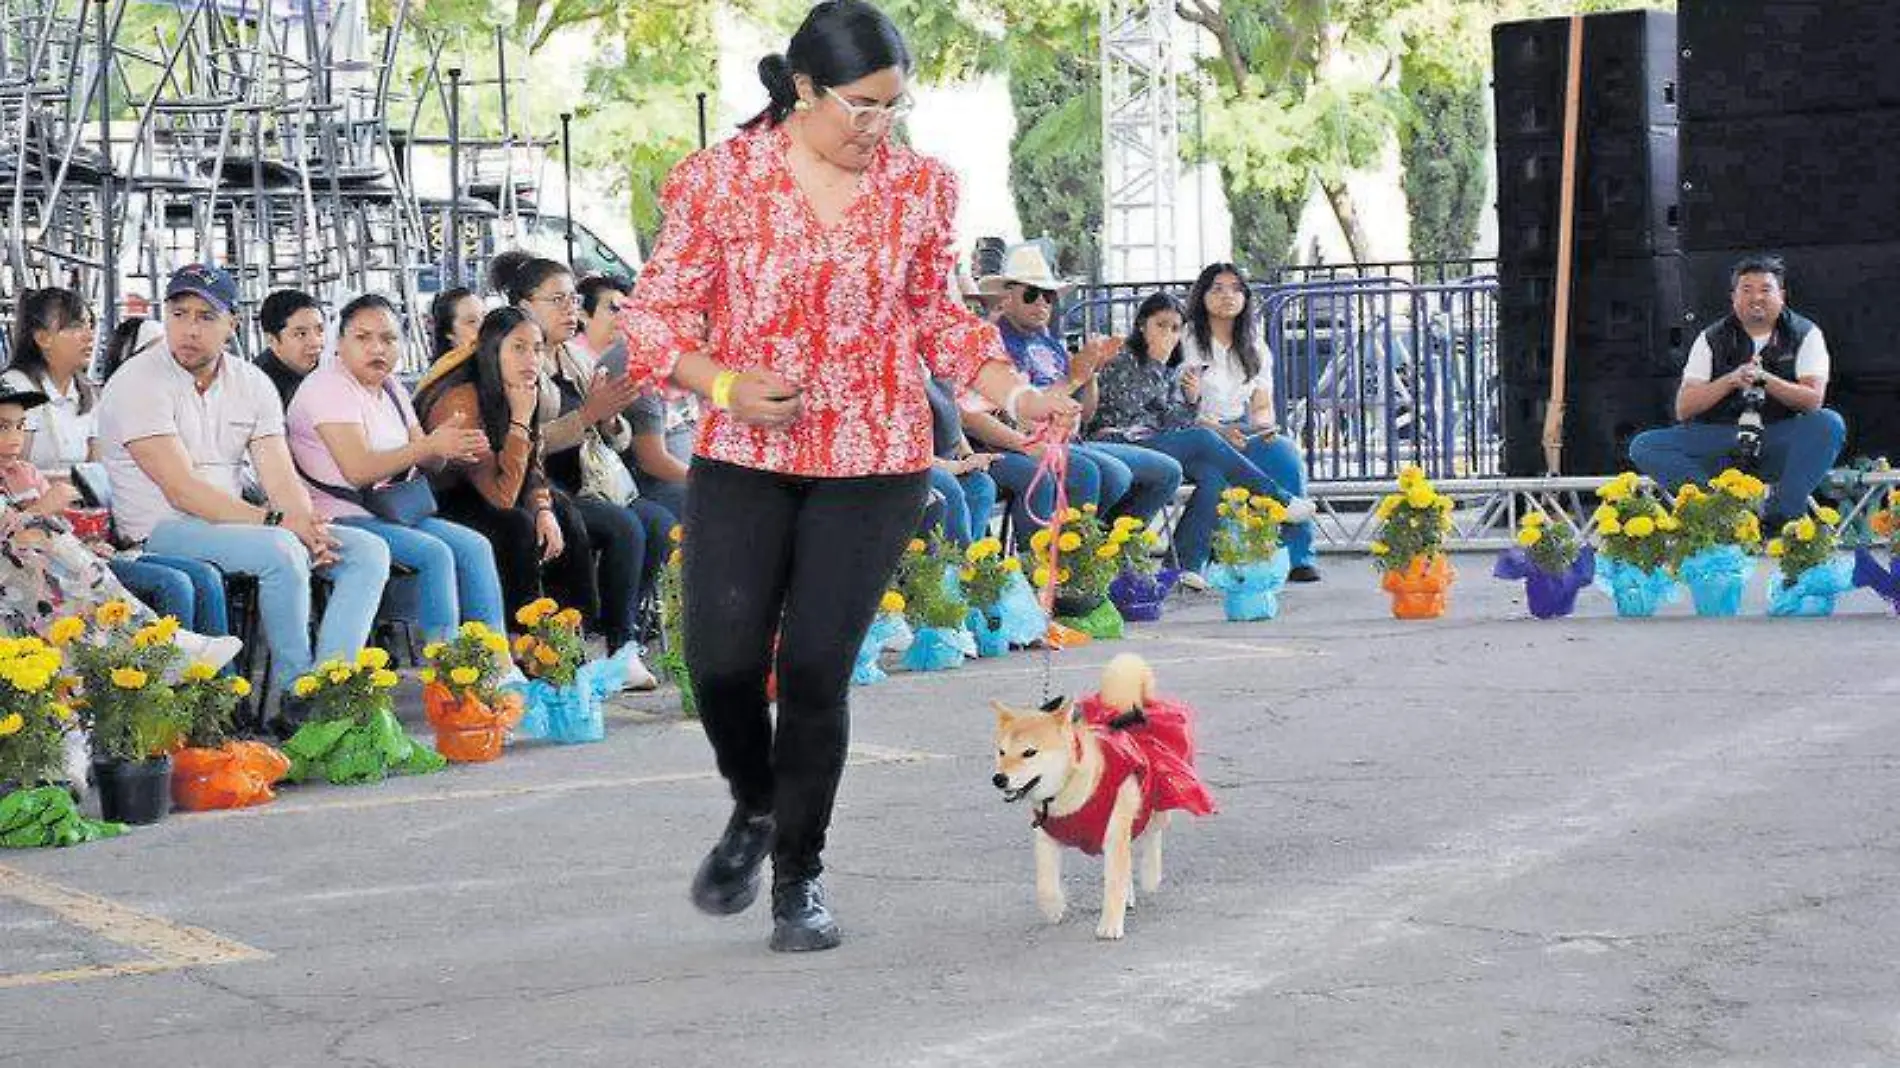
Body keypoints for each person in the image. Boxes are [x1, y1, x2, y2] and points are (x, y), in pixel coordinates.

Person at [616, 0, 1080, 954]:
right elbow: (654, 318)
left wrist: (1014, 392)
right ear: (804, 90)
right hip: (746, 457)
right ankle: (755, 806)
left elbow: (937, 319)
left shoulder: (919, 189)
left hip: (875, 459)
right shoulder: (720, 181)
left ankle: (799, 876)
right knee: (722, 665)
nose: (879, 127)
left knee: (820, 669)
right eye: (862, 107)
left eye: (893, 108)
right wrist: (726, 384)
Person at [94, 264, 390, 725]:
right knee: (280, 550)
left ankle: (329, 684)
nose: (189, 329)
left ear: (233, 323)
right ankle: (297, 694)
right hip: (160, 532)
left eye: (206, 317)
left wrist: (306, 524)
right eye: (178, 313)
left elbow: (279, 474)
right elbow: (182, 489)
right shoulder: (137, 382)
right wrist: (278, 524)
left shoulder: (251, 383)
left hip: (238, 527)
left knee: (367, 551)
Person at [286, 294, 514, 655]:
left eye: (389, 339)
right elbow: (359, 470)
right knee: (434, 553)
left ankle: (496, 665)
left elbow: (428, 458)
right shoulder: (327, 386)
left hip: (391, 512)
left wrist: (452, 446)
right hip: (337, 518)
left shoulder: (391, 386)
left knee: (475, 546)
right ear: (339, 343)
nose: (377, 348)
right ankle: (449, 670)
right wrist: (428, 448)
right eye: (363, 338)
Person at [413, 307, 627, 658]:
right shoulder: (462, 401)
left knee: (561, 512)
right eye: (518, 348)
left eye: (537, 349)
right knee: (516, 525)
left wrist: (543, 507)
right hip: (447, 500)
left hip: (497, 485)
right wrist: (521, 419)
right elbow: (501, 497)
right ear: (492, 349)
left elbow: (533, 462)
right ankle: (523, 643)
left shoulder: (520, 387)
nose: (531, 359)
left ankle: (569, 638)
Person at [502, 257, 667, 667]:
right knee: (624, 527)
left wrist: (609, 419)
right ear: (524, 306)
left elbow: (618, 438)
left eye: (573, 299)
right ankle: (619, 646)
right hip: (543, 488)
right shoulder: (517, 363)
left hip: (593, 482)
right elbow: (523, 443)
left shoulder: (575, 360)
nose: (569, 309)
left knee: (659, 524)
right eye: (557, 300)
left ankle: (622, 624)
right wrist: (587, 415)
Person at [0, 383, 240, 662]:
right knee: (174, 583)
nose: (16, 438)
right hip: (50, 579)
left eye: (20, 426)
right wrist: (42, 509)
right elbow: (21, 535)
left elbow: (62, 527)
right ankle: (169, 661)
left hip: (82, 560)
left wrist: (81, 532)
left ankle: (218, 691)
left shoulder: (25, 473)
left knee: (205, 576)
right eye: (3, 427)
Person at [1090, 292, 1316, 582]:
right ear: (1141, 326)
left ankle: (1183, 566)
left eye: (1175, 328)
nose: (1169, 335)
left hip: (1152, 444)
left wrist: (1191, 399)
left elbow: (1174, 422)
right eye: (1161, 325)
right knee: (1203, 439)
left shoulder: (1169, 370)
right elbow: (1136, 414)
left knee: (1214, 476)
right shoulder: (1125, 360)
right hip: (1119, 441)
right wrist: (1181, 400)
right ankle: (1279, 499)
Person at [1629, 254, 1847, 526]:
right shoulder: (1711, 338)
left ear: (1782, 295)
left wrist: (1766, 379)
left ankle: (1781, 515)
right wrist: (1731, 380)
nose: (1757, 298)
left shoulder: (1805, 333)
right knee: (1645, 446)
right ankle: (1719, 513)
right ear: (1733, 298)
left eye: (1766, 290)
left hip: (1775, 435)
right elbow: (1683, 408)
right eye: (1747, 290)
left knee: (1828, 423)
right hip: (1722, 436)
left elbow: (1812, 401)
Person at [980, 243, 1184, 528]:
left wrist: (1092, 372)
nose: (1042, 304)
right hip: (1022, 442)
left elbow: (1086, 413)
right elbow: (1025, 412)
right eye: (1031, 294)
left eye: (1048, 297)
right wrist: (1074, 377)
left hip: (1071, 440)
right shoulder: (993, 340)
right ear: (1006, 298)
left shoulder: (1050, 343)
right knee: (1106, 475)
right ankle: (1068, 560)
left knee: (1167, 472)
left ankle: (1109, 553)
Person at [1177, 262, 1320, 583]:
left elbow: (1262, 404)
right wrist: (1219, 432)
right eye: (1217, 288)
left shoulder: (1254, 345)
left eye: (1235, 289)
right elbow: (1179, 405)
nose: (1227, 296)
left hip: (1240, 429)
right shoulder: (1186, 340)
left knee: (1284, 454)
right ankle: (1194, 563)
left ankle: (1298, 556)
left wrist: (1264, 427)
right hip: (1198, 433)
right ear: (1202, 296)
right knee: (1216, 472)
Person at [4, 287, 99, 477]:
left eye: (90, 325)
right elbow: (10, 476)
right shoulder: (16, 388)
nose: (90, 336)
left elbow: (96, 470)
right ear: (42, 338)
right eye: (75, 326)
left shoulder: (88, 394)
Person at [923, 373, 997, 546]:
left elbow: (953, 420)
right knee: (948, 485)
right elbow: (906, 449)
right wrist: (957, 466)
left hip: (947, 461)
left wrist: (968, 455)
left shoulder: (937, 368)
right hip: (910, 465)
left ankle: (973, 559)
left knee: (981, 484)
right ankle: (959, 562)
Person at [255, 289, 325, 408]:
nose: (315, 342)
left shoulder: (328, 367)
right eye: (301, 334)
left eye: (320, 330)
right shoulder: (259, 389)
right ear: (272, 340)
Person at [429, 287, 483, 364]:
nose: (483, 325)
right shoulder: (445, 372)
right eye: (471, 321)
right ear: (449, 333)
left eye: (486, 316)